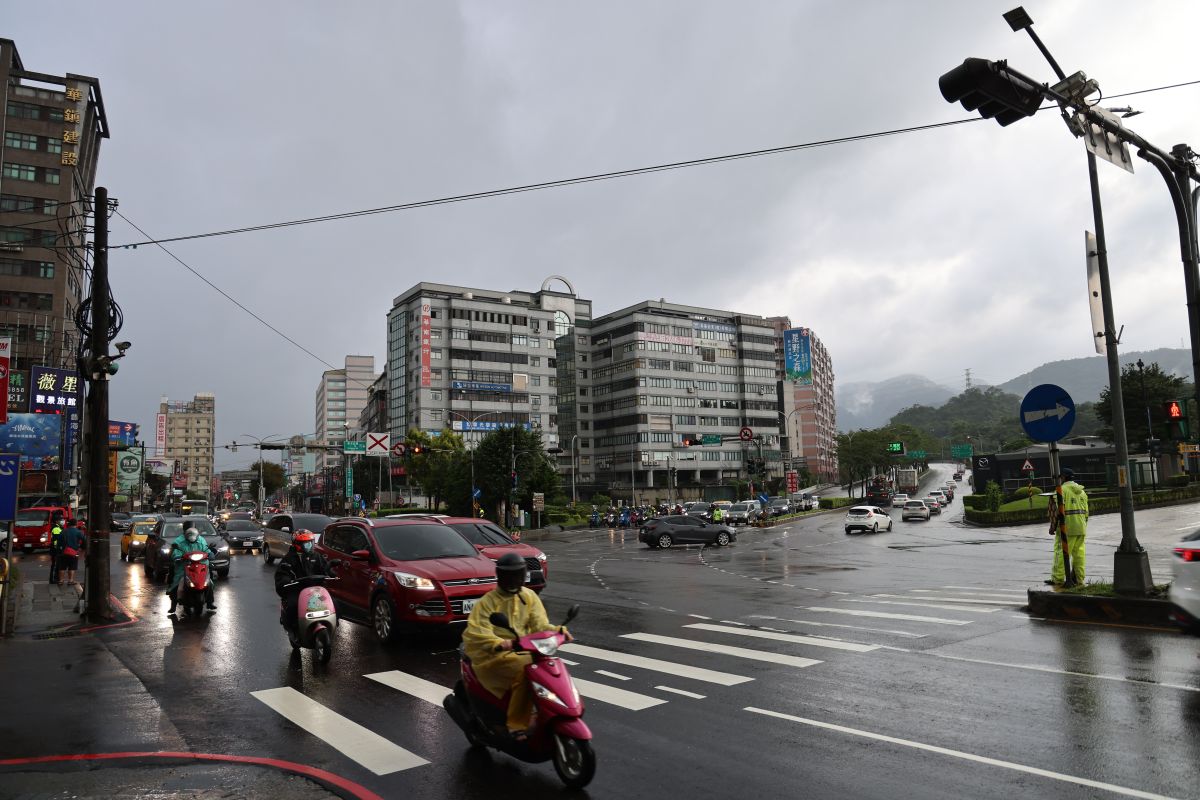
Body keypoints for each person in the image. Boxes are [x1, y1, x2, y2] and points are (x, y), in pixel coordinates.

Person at [462, 552, 572, 740]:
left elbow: (540, 625)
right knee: (526, 671)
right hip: (494, 656)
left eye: (518, 574)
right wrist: (498, 643)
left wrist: (558, 631)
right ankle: (516, 725)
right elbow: (477, 631)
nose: (514, 579)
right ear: (500, 576)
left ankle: (548, 709)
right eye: (510, 575)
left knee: (549, 667)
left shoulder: (529, 596)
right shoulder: (488, 602)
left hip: (524, 649)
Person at [274, 530, 331, 634]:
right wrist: (285, 580)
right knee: (293, 605)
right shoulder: (289, 558)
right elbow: (282, 573)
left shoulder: (316, 556)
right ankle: (293, 630)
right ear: (297, 544)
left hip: (316, 591)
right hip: (298, 591)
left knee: (333, 602)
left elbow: (325, 568)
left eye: (311, 542)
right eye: (306, 543)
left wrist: (331, 573)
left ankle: (332, 624)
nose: (309, 545)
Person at [1048, 468, 1089, 585]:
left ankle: (1057, 578)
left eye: (1060, 477)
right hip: (1081, 527)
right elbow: (1086, 513)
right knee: (1079, 554)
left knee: (1060, 553)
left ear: (1063, 477)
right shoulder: (1082, 492)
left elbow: (1056, 511)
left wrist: (1053, 527)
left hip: (1067, 528)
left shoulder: (1061, 490)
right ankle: (1079, 579)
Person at [166, 525, 217, 614]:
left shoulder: (201, 540)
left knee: (209, 582)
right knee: (177, 582)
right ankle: (173, 604)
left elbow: (206, 549)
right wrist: (177, 556)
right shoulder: (180, 541)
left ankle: (210, 602)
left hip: (201, 565)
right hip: (184, 566)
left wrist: (210, 553)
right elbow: (176, 552)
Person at [58, 519, 86, 587]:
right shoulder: (78, 532)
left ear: (69, 524)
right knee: (72, 567)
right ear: (76, 524)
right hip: (73, 552)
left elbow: (59, 541)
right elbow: (84, 540)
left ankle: (61, 581)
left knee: (62, 567)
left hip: (63, 551)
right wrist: (82, 547)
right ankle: (70, 580)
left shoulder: (63, 531)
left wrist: (59, 549)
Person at [48, 514, 65, 585]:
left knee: (56, 565)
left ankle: (55, 579)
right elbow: (58, 540)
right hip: (56, 550)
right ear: (56, 521)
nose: (62, 521)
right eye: (61, 520)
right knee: (55, 565)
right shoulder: (56, 529)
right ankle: (54, 580)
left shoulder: (59, 528)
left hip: (56, 549)